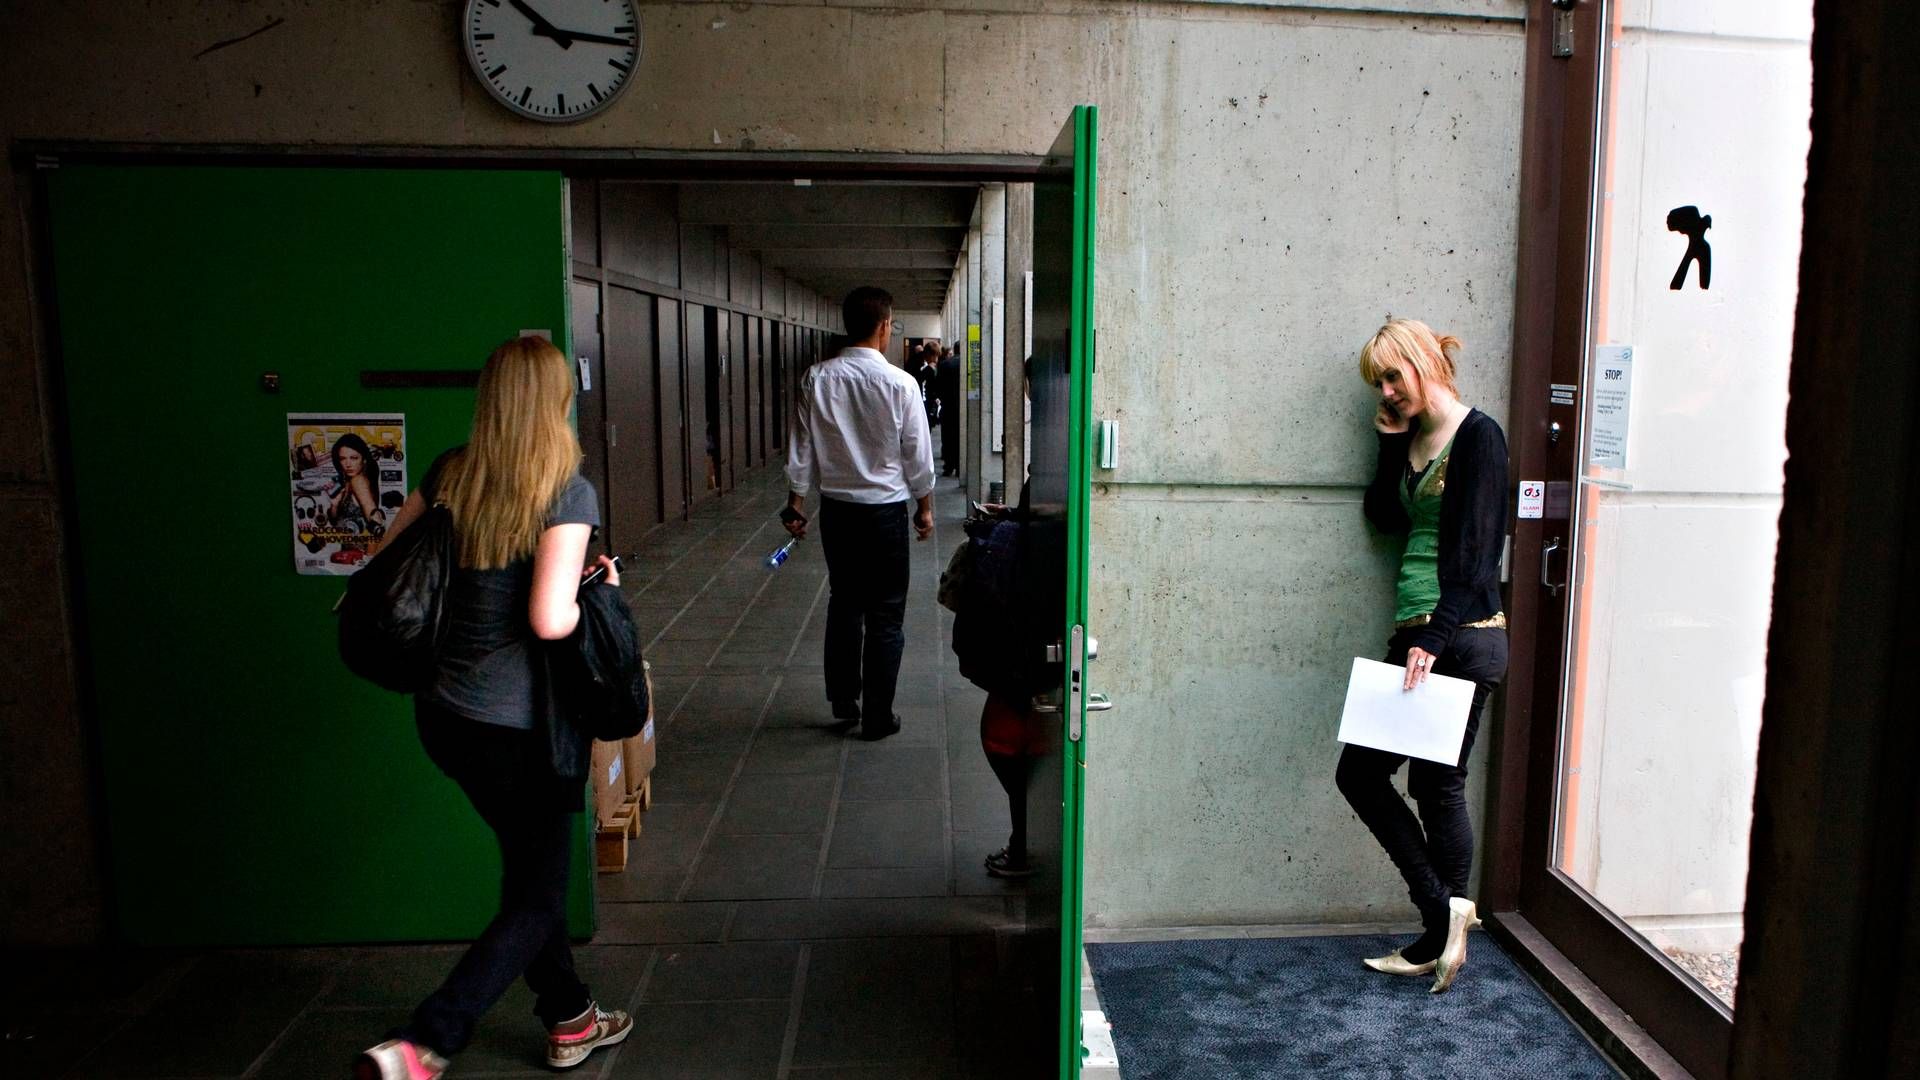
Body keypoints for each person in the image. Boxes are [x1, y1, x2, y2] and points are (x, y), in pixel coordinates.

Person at [355, 336, 630, 1080]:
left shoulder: (450, 472)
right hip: (521, 733)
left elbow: (385, 556)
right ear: (556, 404)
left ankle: (571, 1018)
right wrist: (592, 593)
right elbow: (549, 620)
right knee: (538, 899)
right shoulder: (565, 490)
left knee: (526, 875)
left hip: (445, 719)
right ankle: (426, 1041)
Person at [1335, 317, 1509, 994]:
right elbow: (1383, 518)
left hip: (1460, 634)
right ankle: (1445, 922)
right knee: (1385, 778)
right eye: (1378, 381)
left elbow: (1478, 551)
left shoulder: (1478, 437)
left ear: (1422, 363)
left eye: (1392, 375)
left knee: (1425, 783)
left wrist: (1432, 640)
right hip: (1422, 634)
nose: (1385, 390)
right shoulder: (1412, 437)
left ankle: (1442, 920)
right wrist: (1387, 448)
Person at [782, 286, 935, 741]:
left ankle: (845, 700)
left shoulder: (816, 379)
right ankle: (878, 716)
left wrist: (795, 504)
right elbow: (917, 455)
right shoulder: (901, 383)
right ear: (885, 326)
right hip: (886, 514)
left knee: (845, 602)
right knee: (886, 614)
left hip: (839, 513)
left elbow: (802, 449)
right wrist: (923, 508)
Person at [328, 433, 386, 535]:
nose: (348, 464)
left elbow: (372, 513)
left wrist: (376, 521)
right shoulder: (348, 482)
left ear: (364, 460)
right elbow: (336, 522)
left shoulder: (358, 481)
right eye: (343, 458)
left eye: (354, 458)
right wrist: (335, 505)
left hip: (361, 548)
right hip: (348, 548)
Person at [936, 342, 961, 476]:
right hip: (963, 409)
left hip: (948, 407)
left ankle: (949, 466)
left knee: (948, 437)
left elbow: (938, 386)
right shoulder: (968, 364)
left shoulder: (945, 364)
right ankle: (960, 465)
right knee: (960, 437)